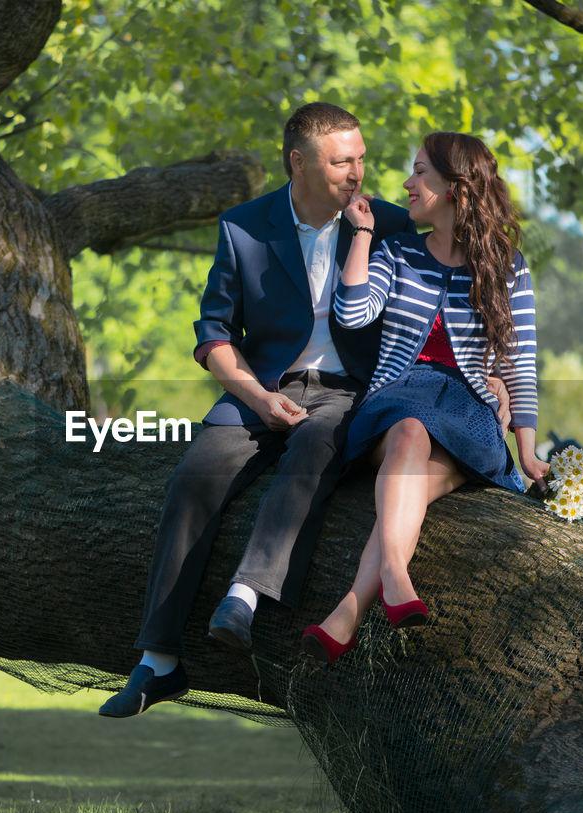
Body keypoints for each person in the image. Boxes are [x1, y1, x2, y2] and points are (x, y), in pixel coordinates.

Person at [96, 103, 415, 716]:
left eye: (362, 158)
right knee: (193, 478)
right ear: (299, 162)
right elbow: (214, 335)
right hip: (259, 386)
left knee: (314, 448)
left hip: (348, 392)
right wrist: (257, 397)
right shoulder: (244, 227)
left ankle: (246, 595)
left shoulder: (392, 226)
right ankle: (156, 660)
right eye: (342, 160)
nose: (357, 172)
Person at [301, 131, 550, 664]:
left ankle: (350, 607)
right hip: (397, 399)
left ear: (456, 189)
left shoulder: (508, 267)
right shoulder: (398, 252)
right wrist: (364, 236)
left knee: (412, 485)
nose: (407, 185)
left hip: (469, 411)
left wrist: (527, 450)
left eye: (420, 174)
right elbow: (352, 313)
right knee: (411, 429)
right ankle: (394, 572)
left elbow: (519, 364)